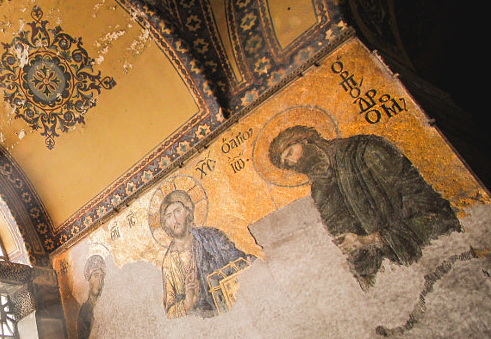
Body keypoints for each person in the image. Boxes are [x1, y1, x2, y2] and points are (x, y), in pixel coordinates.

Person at [268, 126, 460, 285]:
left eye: (290, 152)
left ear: (306, 140)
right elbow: (349, 242)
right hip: (396, 276)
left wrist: (374, 238)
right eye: (287, 164)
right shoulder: (320, 190)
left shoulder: (364, 150)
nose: (293, 162)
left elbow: (427, 208)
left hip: (440, 250)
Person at [158, 190, 251, 318]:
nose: (174, 219)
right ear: (166, 223)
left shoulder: (211, 237)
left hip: (235, 308)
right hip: (203, 322)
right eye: (169, 216)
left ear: (188, 211)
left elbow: (242, 262)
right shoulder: (169, 263)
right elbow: (170, 311)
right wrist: (188, 302)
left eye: (177, 211)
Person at [77, 255, 105, 339]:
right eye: (96, 276)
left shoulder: (104, 305)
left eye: (102, 276)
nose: (99, 281)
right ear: (89, 278)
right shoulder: (84, 310)